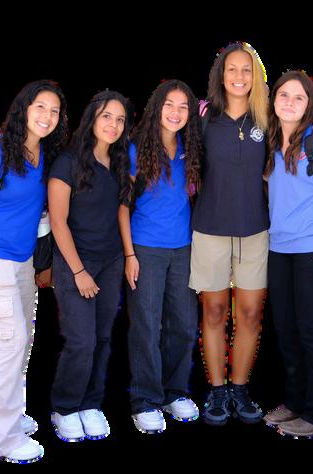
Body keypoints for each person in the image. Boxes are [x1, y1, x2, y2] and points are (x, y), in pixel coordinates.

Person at [0, 80, 68, 463]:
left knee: (14, 344)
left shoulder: (43, 153)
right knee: (7, 345)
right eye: (40, 107)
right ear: (24, 108)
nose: (47, 116)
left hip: (22, 262)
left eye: (54, 111)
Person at [261, 70, 313, 438]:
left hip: (312, 249)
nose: (290, 102)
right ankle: (296, 403)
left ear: (309, 104)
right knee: (286, 331)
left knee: (311, 332)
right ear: (274, 100)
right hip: (278, 250)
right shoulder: (270, 139)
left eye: (299, 97)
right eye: (284, 95)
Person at [190, 42, 270, 425]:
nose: (239, 76)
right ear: (221, 75)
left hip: (256, 230)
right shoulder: (204, 118)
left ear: (256, 76)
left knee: (251, 314)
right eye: (232, 69)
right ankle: (217, 391)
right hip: (210, 229)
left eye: (246, 69)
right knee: (214, 311)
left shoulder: (267, 120)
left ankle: (240, 388)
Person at [47, 90, 134, 442]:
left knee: (102, 337)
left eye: (120, 119)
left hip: (110, 261)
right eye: (106, 116)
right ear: (92, 119)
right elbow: (58, 222)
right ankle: (65, 407)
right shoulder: (67, 162)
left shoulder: (119, 162)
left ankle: (90, 404)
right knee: (81, 341)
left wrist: (126, 256)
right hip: (76, 263)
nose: (113, 124)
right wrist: (79, 271)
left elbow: (120, 212)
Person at [118, 80, 203, 434]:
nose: (176, 112)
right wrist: (129, 254)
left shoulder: (189, 147)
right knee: (147, 325)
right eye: (170, 104)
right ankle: (146, 400)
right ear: (157, 107)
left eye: (184, 107)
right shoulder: (136, 148)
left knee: (184, 324)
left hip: (183, 248)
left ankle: (174, 392)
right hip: (145, 248)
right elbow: (123, 206)